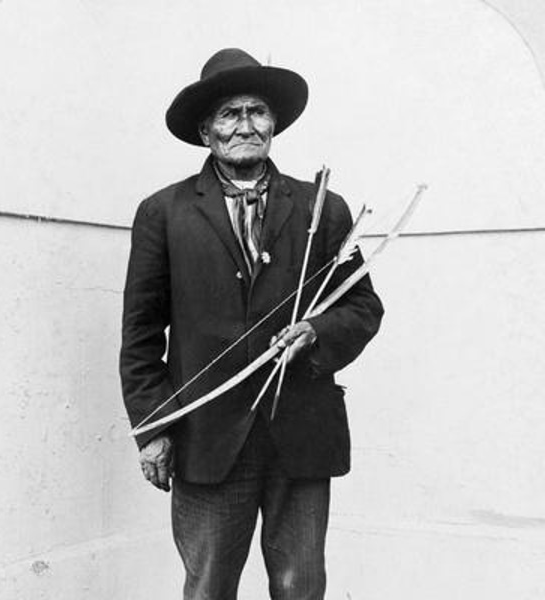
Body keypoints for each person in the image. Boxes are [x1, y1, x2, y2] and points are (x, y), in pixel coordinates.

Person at [120, 48, 384, 600]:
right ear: (206, 131)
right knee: (209, 588)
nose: (246, 125)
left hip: (302, 438)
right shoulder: (163, 213)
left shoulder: (322, 208)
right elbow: (140, 337)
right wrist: (153, 428)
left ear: (273, 123)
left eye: (257, 111)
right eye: (229, 114)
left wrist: (317, 333)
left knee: (300, 586)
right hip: (207, 442)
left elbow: (362, 307)